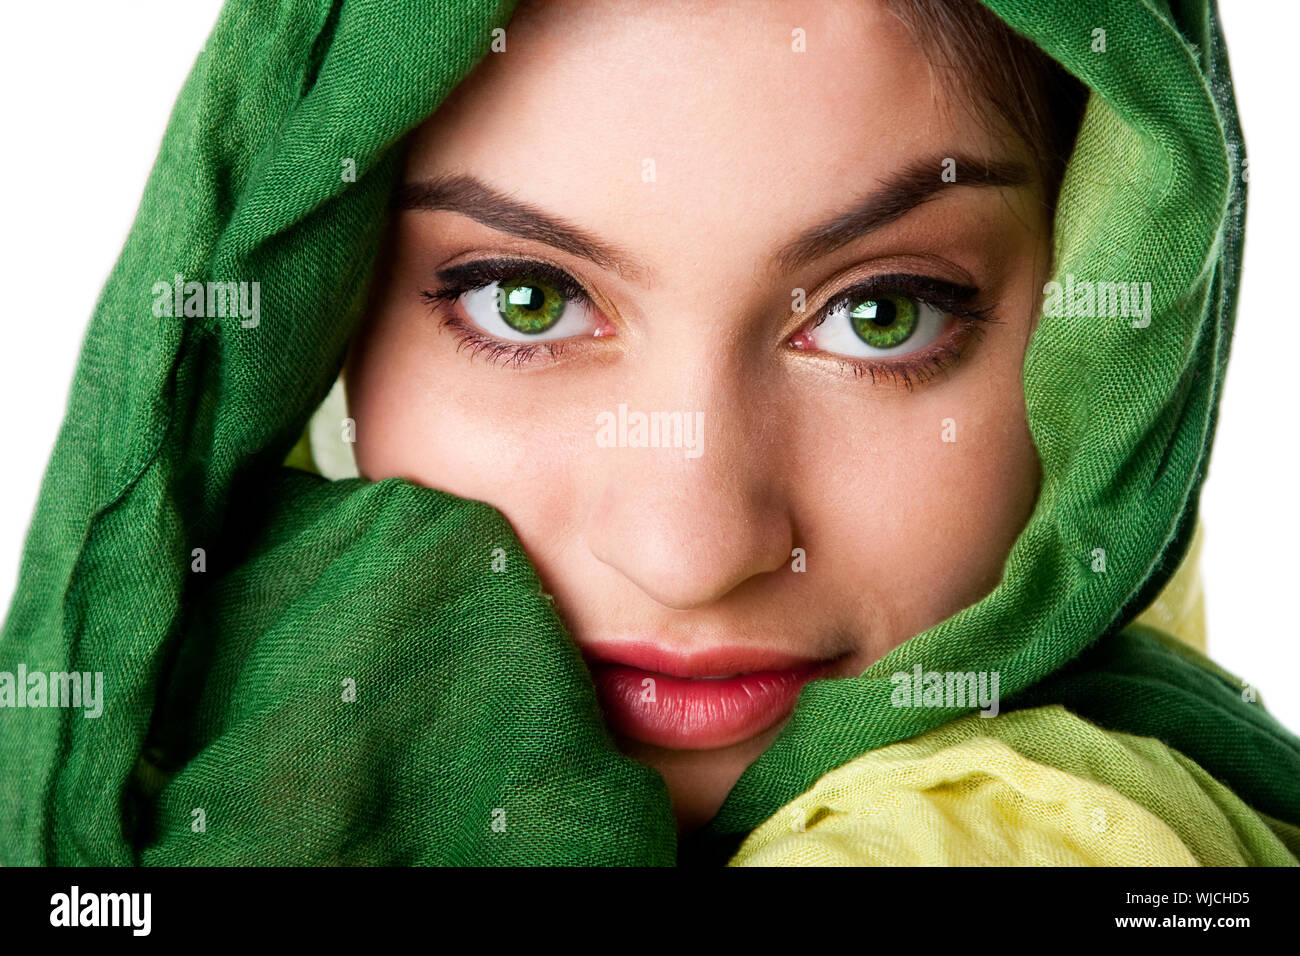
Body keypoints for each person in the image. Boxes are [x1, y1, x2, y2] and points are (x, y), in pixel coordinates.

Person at [2, 0, 1296, 866]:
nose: (691, 550)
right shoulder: (199, 746)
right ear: (320, 317)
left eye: (883, 315)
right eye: (530, 300)